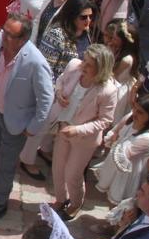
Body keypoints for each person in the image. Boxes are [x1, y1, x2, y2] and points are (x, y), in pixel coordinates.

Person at [0, 13, 55, 226]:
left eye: (10, 34)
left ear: (23, 39)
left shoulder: (36, 62)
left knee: (8, 163)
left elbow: (46, 98)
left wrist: (33, 126)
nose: (3, 36)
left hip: (17, 122)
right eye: (4, 30)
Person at [48, 45, 119, 219]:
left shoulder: (108, 90)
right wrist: (59, 94)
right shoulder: (74, 67)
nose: (83, 66)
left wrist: (78, 129)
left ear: (100, 69)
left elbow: (105, 120)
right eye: (84, 61)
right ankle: (60, 199)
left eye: (89, 64)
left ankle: (75, 203)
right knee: (57, 168)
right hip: (63, 127)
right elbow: (60, 81)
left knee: (73, 174)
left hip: (84, 138)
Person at [36, 0, 96, 80]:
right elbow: (44, 71)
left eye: (91, 16)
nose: (88, 20)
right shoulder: (55, 35)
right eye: (83, 17)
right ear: (72, 16)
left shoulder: (86, 33)